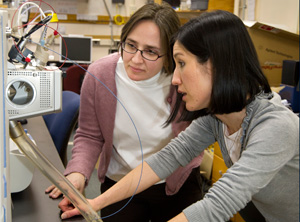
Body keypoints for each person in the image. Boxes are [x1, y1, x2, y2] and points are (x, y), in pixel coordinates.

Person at [58, 10, 299, 222]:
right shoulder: (218, 120)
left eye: (181, 63)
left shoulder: (276, 127)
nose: (174, 79)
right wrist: (93, 204)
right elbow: (165, 160)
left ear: (218, 65)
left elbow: (219, 204)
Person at [46, 2, 204, 222]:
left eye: (151, 51)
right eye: (130, 45)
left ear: (170, 53)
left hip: (176, 184)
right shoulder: (100, 73)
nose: (136, 60)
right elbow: (89, 135)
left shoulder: (183, 80)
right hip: (120, 184)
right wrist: (78, 173)